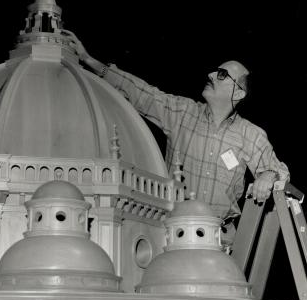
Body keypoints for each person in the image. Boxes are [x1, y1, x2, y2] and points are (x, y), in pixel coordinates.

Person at [62, 30, 289, 245]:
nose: (210, 75)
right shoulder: (181, 113)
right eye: (214, 71)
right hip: (174, 235)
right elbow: (140, 92)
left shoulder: (250, 135)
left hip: (219, 242)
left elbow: (279, 170)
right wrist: (88, 60)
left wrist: (268, 175)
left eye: (221, 75)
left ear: (238, 93)